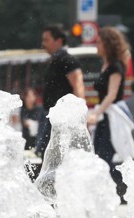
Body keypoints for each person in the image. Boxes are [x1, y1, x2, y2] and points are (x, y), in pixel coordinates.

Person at [87, 27, 131, 199]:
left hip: (111, 118)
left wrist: (96, 114)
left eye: (99, 42)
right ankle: (105, 193)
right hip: (104, 118)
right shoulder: (106, 65)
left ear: (108, 44)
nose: (96, 45)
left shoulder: (116, 67)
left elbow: (112, 94)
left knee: (105, 157)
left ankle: (125, 189)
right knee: (99, 156)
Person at [36, 25, 85, 158]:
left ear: (58, 41)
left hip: (60, 119)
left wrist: (80, 115)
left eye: (46, 40)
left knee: (56, 156)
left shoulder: (68, 61)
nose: (43, 44)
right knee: (46, 154)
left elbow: (78, 87)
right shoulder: (55, 60)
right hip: (50, 115)